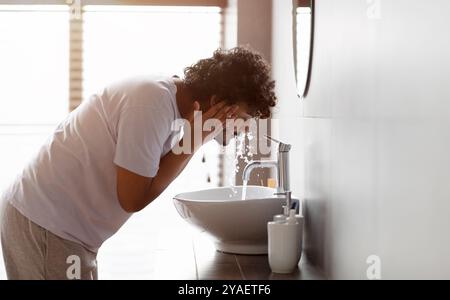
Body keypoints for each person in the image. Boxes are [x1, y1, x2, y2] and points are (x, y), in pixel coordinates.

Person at [0, 47, 277, 279]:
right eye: (242, 117)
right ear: (217, 101)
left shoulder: (169, 107)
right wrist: (189, 145)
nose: (243, 129)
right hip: (44, 223)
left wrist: (191, 142)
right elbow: (131, 198)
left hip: (63, 230)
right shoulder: (152, 104)